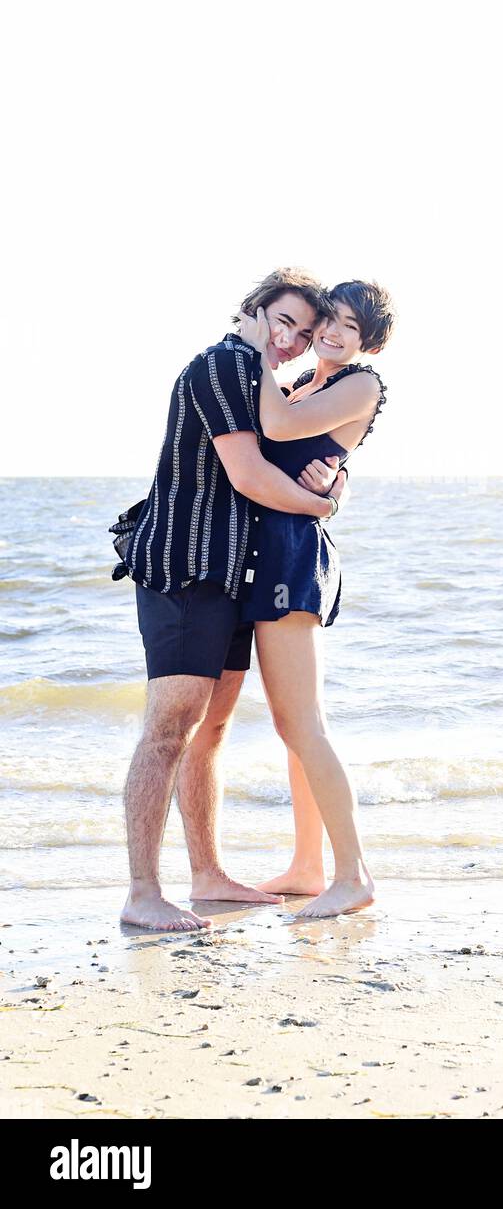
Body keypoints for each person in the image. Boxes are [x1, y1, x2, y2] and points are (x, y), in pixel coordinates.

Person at [119, 267, 346, 932]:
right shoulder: (224, 363)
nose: (292, 341)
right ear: (253, 311)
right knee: (170, 724)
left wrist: (332, 483)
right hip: (184, 566)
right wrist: (323, 503)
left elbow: (299, 457)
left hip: (234, 576)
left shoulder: (270, 384)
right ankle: (142, 891)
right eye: (284, 323)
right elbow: (248, 475)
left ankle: (208, 873)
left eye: (305, 334)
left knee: (209, 731)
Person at [235, 279, 394, 919]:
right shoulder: (304, 383)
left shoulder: (361, 385)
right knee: (288, 725)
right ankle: (307, 866)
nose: (332, 332)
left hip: (293, 552)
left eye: (351, 327)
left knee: (305, 724)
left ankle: (353, 874)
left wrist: (253, 349)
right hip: (271, 546)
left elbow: (275, 426)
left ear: (369, 343)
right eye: (330, 319)